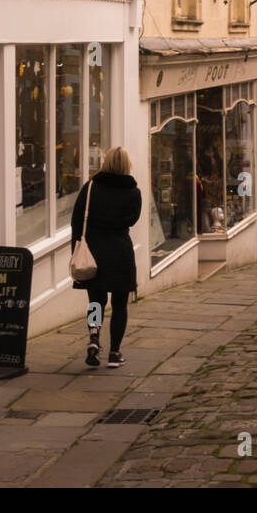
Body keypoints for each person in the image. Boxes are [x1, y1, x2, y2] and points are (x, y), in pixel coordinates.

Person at [71, 146, 142, 368]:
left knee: (96, 302)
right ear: (126, 165)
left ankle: (94, 339)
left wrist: (76, 250)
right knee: (120, 304)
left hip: (94, 252)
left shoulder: (91, 187)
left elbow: (76, 221)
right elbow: (131, 220)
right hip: (120, 251)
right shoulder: (133, 192)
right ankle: (114, 352)